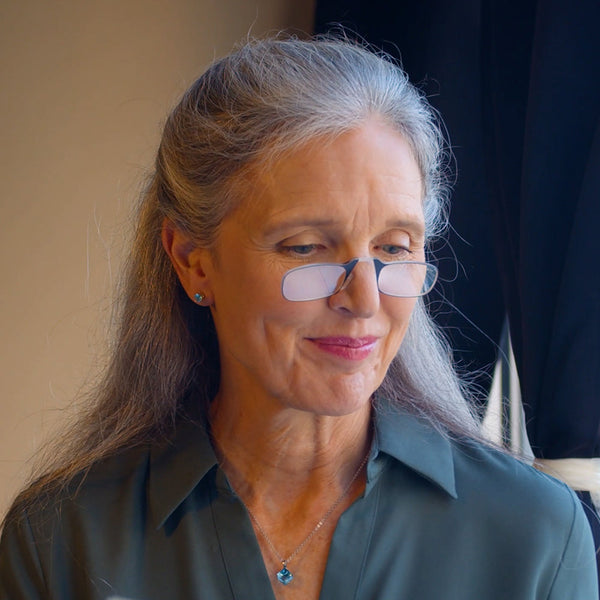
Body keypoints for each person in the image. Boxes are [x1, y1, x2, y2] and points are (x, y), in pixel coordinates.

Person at [0, 36, 596, 600]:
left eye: (393, 248)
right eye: (307, 247)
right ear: (192, 261)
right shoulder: (61, 541)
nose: (364, 300)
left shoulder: (537, 534)